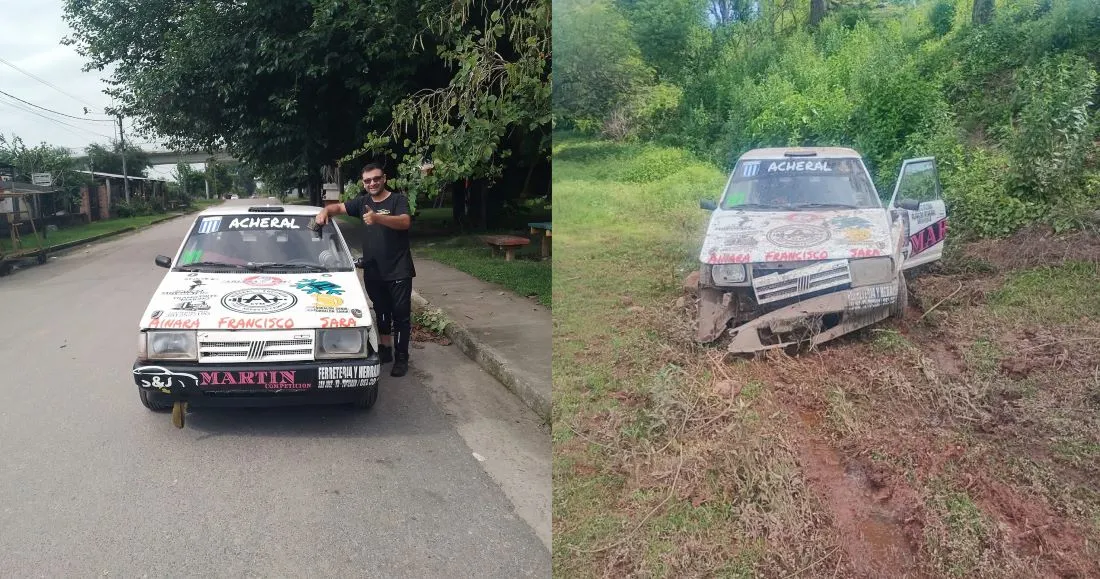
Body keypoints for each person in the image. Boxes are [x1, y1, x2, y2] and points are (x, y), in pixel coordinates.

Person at [314, 163, 415, 377]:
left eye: (376, 178)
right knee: (382, 312)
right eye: (368, 180)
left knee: (401, 316)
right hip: (373, 270)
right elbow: (338, 208)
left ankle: (402, 358)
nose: (372, 183)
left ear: (384, 178)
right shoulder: (362, 202)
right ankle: (386, 351)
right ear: (363, 182)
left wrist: (378, 218)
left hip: (399, 270)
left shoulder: (397, 200)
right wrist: (325, 211)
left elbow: (405, 222)